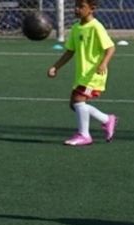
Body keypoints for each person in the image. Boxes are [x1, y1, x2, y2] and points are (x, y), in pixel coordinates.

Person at [46, 0, 116, 147]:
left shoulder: (96, 27)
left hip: (94, 74)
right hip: (82, 74)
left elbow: (110, 48)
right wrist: (56, 67)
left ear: (92, 8)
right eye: (75, 6)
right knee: (75, 105)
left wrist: (103, 63)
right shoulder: (76, 28)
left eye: (81, 7)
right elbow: (70, 51)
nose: (77, 9)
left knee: (78, 101)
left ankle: (84, 135)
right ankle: (107, 119)